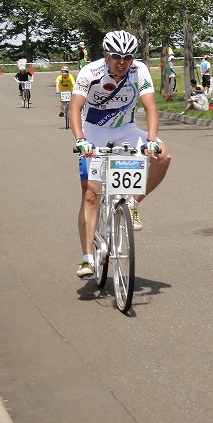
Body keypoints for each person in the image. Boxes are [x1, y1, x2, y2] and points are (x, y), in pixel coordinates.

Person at [70, 30, 171, 277]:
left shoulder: (139, 70)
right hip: (93, 131)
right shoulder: (90, 72)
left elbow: (150, 107)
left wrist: (150, 140)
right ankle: (87, 258)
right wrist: (81, 140)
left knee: (163, 156)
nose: (122, 62)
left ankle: (133, 203)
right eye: (116, 56)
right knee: (91, 194)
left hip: (125, 129)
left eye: (127, 56)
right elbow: (75, 108)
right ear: (105, 55)